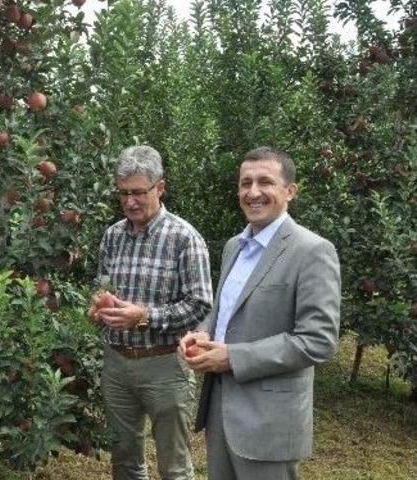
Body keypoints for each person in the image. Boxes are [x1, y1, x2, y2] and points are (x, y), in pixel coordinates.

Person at [179, 147, 341, 480]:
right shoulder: (233, 246)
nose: (253, 192)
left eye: (265, 182)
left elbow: (319, 340)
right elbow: (225, 309)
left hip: (269, 421)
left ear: (290, 191)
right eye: (245, 183)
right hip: (220, 408)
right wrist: (203, 332)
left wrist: (233, 357)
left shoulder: (312, 251)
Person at [88, 145, 213, 480]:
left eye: (139, 192)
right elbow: (104, 287)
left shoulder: (184, 238)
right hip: (117, 363)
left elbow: (200, 303)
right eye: (124, 193)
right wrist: (100, 305)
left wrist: (143, 316)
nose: (130, 202)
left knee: (173, 465)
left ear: (160, 188)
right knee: (125, 461)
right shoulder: (113, 236)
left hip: (164, 365)